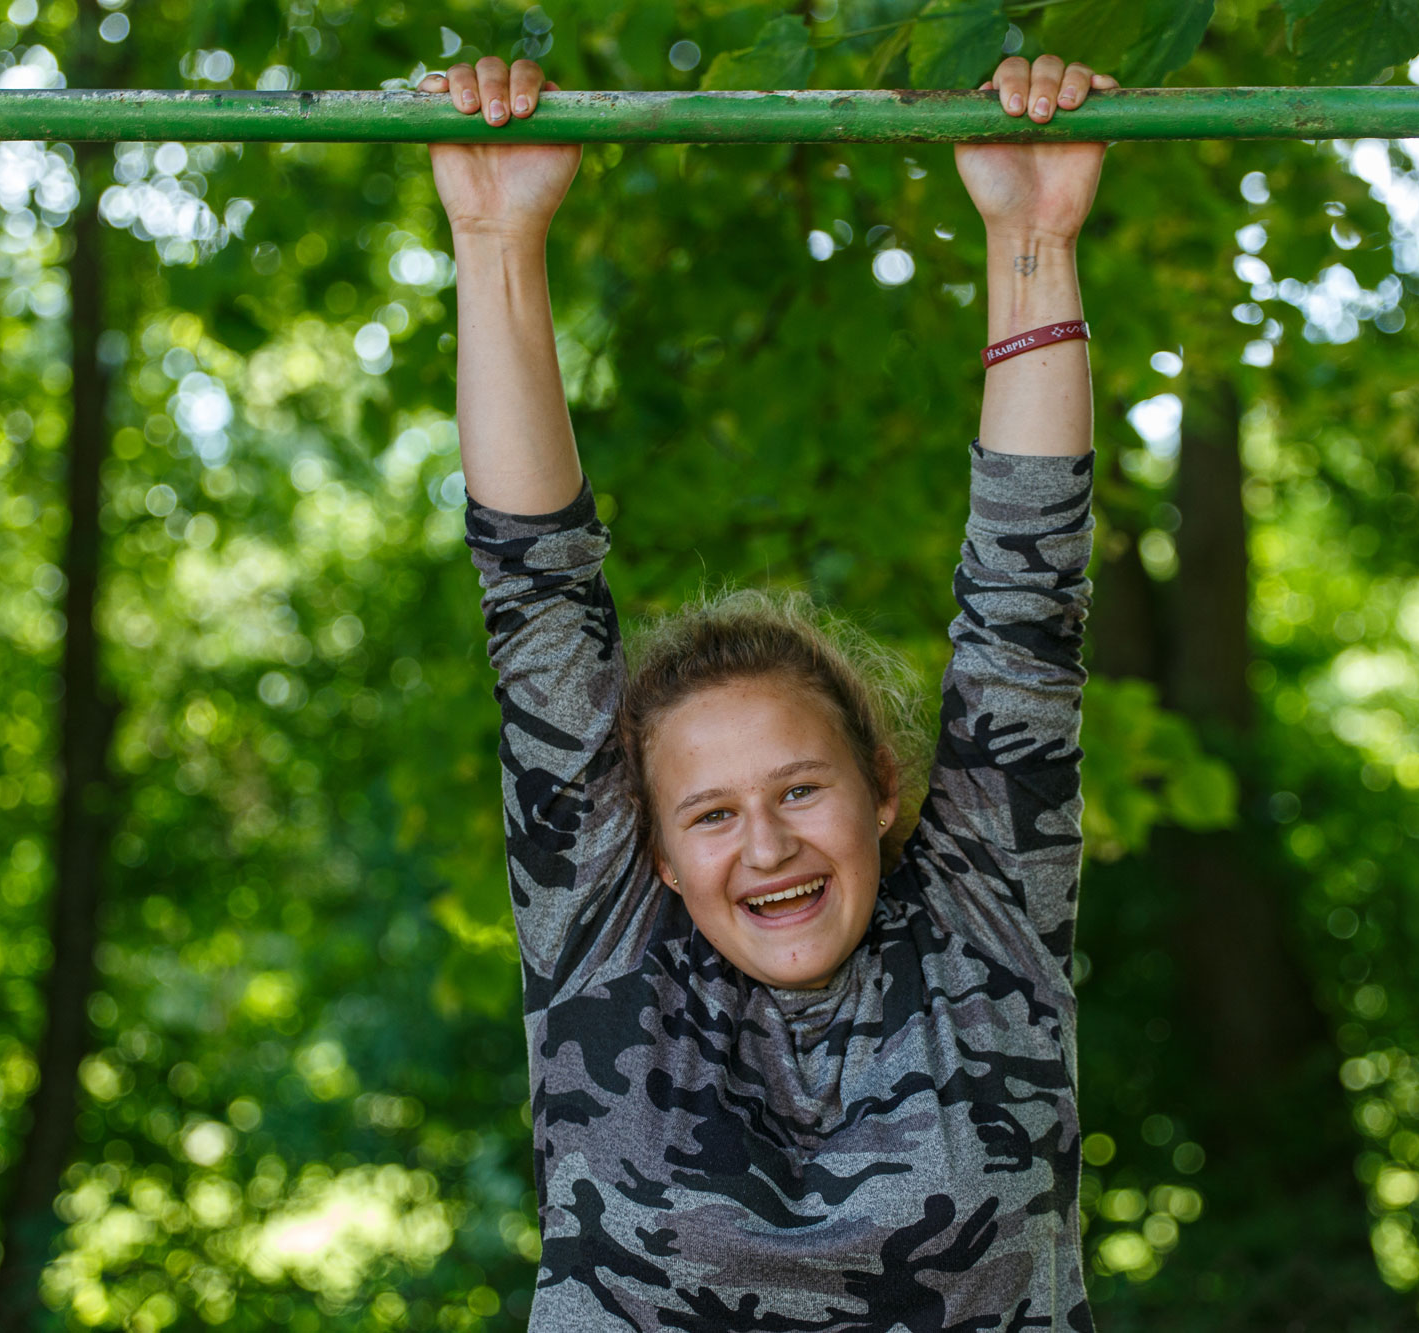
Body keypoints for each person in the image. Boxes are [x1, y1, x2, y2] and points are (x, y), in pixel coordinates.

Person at [418, 50, 1116, 1331]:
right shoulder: (604, 942)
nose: (769, 843)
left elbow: (1028, 602)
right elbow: (534, 598)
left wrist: (1031, 236)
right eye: (712, 813)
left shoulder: (981, 923)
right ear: (656, 852)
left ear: (884, 792)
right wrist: (492, 237)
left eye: (800, 789)